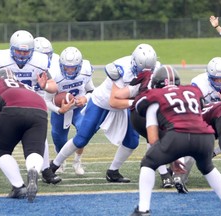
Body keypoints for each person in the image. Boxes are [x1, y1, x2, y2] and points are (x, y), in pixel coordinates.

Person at [130, 65, 221, 216]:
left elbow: (153, 137)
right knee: (207, 167)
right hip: (205, 136)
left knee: (148, 163)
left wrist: (168, 156)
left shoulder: (152, 96)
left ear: (156, 84)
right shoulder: (192, 91)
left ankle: (143, 210)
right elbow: (199, 111)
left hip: (177, 135)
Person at [47, 43, 157, 183]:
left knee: (132, 141)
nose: (144, 73)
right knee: (82, 139)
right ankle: (53, 167)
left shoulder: (156, 67)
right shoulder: (120, 67)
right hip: (102, 102)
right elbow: (113, 101)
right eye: (141, 70)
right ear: (133, 61)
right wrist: (139, 102)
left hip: (126, 104)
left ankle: (113, 171)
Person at [0, 30, 60, 185]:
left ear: (32, 51)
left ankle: (45, 171)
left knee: (37, 140)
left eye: (26, 51)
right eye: (19, 50)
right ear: (11, 49)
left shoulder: (39, 62)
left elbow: (53, 86)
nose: (22, 54)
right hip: (9, 105)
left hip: (20, 103)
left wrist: (45, 85)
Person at [0, 68, 52, 202]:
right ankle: (33, 170)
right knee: (34, 150)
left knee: (2, 151)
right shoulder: (27, 86)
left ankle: (18, 187)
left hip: (12, 109)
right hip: (39, 110)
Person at [178, 56, 221, 187]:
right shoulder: (199, 84)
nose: (219, 82)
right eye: (215, 79)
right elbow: (195, 110)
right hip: (207, 120)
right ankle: (181, 174)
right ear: (209, 76)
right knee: (192, 142)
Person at [113, 61, 175, 189]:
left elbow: (119, 94)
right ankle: (164, 175)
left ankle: (152, 166)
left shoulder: (145, 75)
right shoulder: (162, 79)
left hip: (140, 111)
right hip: (144, 113)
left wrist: (135, 95)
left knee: (157, 140)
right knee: (156, 139)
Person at [43, 46, 95, 175]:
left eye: (73, 67)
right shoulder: (54, 74)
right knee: (58, 138)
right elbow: (47, 101)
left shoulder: (85, 71)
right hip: (61, 111)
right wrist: (59, 110)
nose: (70, 70)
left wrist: (85, 98)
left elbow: (92, 90)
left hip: (79, 108)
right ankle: (60, 162)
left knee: (83, 132)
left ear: (80, 65)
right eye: (66, 67)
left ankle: (77, 161)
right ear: (61, 65)